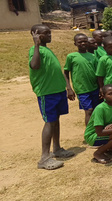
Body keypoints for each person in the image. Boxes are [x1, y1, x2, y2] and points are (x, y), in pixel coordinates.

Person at [29, 24, 75, 170]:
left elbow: (57, 71)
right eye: (46, 33)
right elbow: (34, 66)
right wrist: (36, 45)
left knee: (56, 120)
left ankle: (57, 148)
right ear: (35, 34)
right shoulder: (35, 50)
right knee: (49, 122)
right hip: (46, 92)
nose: (50, 35)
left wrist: (68, 88)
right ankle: (44, 158)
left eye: (50, 32)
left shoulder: (47, 50)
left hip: (57, 91)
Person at [64, 33, 100, 126]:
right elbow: (66, 73)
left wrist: (101, 88)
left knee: (96, 110)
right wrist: (69, 88)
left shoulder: (93, 56)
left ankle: (97, 130)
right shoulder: (71, 57)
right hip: (82, 89)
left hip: (94, 88)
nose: (83, 43)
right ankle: (89, 133)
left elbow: (98, 74)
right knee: (89, 111)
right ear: (75, 44)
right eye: (80, 42)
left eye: (85, 41)